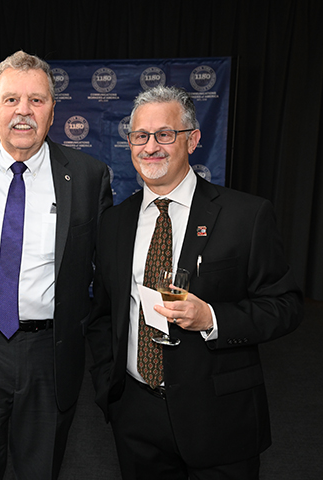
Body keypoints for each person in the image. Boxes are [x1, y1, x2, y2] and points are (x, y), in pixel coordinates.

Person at [86, 85, 303, 479]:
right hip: (135, 416)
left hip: (219, 416)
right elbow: (102, 313)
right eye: (140, 136)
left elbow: (285, 305)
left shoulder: (246, 215)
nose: (151, 146)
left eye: (165, 134)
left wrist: (212, 319)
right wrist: (110, 389)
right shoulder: (115, 222)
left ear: (193, 139)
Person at [0, 50, 112, 479]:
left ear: (52, 110)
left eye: (36, 100)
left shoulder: (87, 175)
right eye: (11, 99)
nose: (23, 111)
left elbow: (106, 275)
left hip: (49, 354)